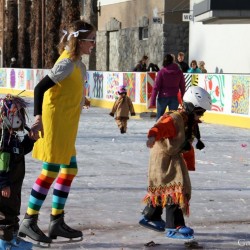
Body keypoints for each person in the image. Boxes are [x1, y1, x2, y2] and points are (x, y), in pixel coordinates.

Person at [18, 19, 95, 244]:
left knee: (69, 170)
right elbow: (40, 88)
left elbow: (67, 88)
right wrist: (39, 118)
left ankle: (56, 221)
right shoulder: (67, 63)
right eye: (91, 40)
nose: (93, 44)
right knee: (51, 170)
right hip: (54, 124)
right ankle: (29, 221)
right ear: (79, 42)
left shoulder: (78, 64)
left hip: (67, 124)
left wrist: (81, 98)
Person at [139, 86, 212, 239]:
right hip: (163, 157)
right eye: (199, 112)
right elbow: (160, 127)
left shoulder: (188, 119)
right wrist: (152, 136)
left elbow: (187, 142)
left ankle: (151, 215)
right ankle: (175, 226)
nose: (201, 115)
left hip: (172, 157)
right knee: (175, 189)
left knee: (163, 187)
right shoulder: (175, 118)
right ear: (190, 106)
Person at [0, 94, 35, 250]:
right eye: (17, 114)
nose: (20, 118)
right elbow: (1, 163)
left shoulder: (11, 136)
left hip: (14, 184)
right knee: (5, 214)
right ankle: (4, 243)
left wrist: (30, 140)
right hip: (5, 186)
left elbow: (18, 152)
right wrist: (3, 184)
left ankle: (12, 238)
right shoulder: (3, 138)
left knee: (12, 211)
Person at [150, 54, 185, 120]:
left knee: (160, 118)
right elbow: (182, 86)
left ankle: (158, 130)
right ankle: (171, 130)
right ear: (173, 61)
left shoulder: (161, 72)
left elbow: (156, 87)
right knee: (173, 119)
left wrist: (152, 100)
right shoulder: (179, 72)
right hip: (175, 97)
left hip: (162, 97)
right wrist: (183, 97)